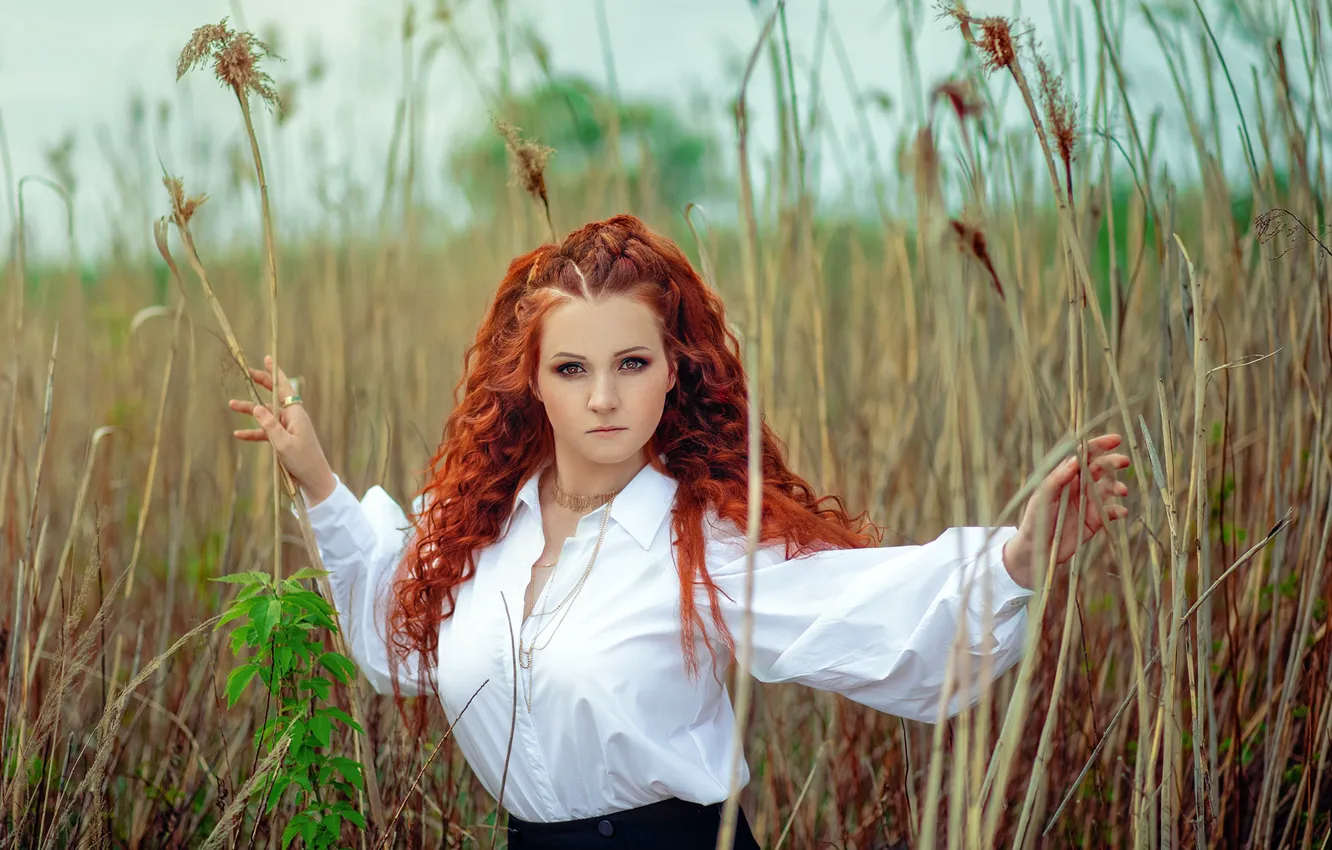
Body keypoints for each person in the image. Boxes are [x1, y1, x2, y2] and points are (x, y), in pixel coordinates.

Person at [229, 214, 1130, 848]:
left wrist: (1017, 558)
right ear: (532, 381)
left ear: (674, 372)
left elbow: (866, 614)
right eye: (573, 368)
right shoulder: (479, 533)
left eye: (632, 362)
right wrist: (317, 479)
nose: (605, 397)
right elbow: (397, 646)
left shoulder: (703, 542)